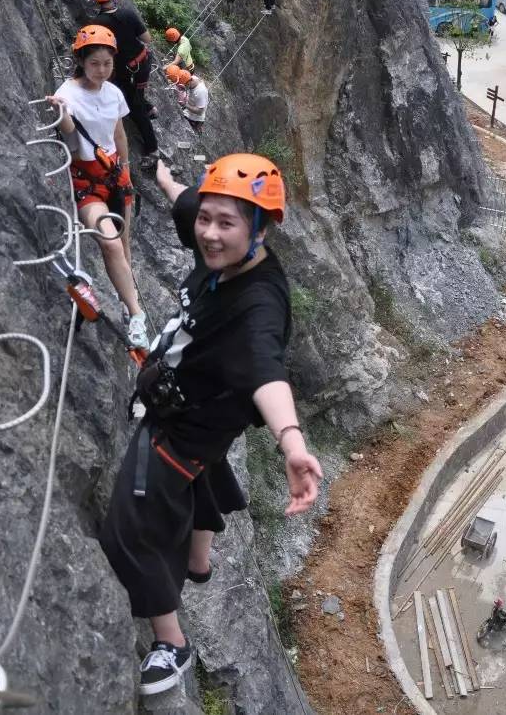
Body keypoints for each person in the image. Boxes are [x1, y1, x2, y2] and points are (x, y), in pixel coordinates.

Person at [99, 153, 324, 697]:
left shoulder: (258, 302)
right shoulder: (213, 237)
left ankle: (173, 644)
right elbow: (186, 203)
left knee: (129, 524)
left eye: (227, 223)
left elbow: (267, 370)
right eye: (208, 218)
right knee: (205, 467)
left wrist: (291, 443)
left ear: (259, 229)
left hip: (188, 423)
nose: (210, 233)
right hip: (198, 404)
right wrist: (164, 176)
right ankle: (199, 560)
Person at [45, 26, 150, 349]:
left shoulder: (114, 93)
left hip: (116, 177)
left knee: (125, 247)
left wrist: (128, 172)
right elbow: (73, 145)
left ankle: (131, 310)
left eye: (107, 63)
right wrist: (62, 115)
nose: (102, 70)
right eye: (95, 64)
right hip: (87, 182)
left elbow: (118, 136)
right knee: (111, 243)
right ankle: (136, 315)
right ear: (81, 61)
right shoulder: (68, 94)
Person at [88, 0, 160, 158]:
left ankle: (152, 149)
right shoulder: (128, 14)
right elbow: (147, 39)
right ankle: (149, 111)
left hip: (125, 70)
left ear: (96, 0)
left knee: (135, 107)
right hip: (141, 63)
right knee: (130, 92)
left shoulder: (96, 25)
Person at [175, 70, 209, 135]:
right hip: (188, 111)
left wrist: (185, 105)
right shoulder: (191, 78)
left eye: (183, 86)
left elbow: (200, 111)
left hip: (195, 118)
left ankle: (198, 129)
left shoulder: (200, 92)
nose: (182, 88)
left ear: (188, 83)